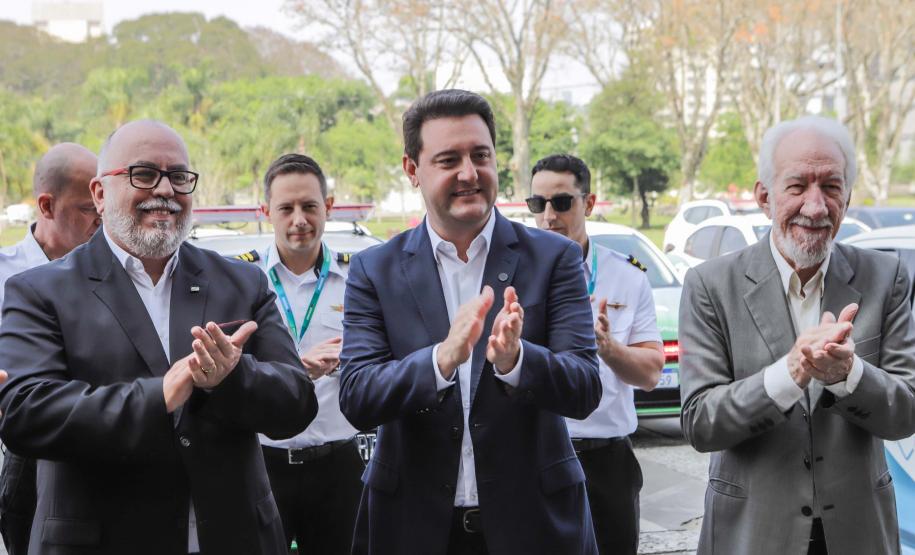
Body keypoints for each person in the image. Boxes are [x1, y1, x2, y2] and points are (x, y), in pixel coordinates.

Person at [0, 120, 317, 555]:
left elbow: (296, 403)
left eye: (179, 177)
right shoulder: (39, 291)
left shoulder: (241, 283)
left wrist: (231, 376)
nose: (165, 190)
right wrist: (158, 397)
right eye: (144, 174)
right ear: (99, 193)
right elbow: (26, 414)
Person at [339, 89, 602, 555]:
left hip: (535, 527)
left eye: (481, 155)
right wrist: (440, 359)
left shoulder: (553, 257)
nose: (469, 173)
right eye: (448, 159)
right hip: (413, 528)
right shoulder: (373, 270)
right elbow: (357, 396)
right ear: (412, 170)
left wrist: (516, 361)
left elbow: (584, 387)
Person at [678, 115, 915, 555]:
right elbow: (700, 423)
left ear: (848, 195)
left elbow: (906, 412)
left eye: (831, 186)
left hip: (858, 533)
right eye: (797, 186)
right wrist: (790, 372)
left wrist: (849, 375)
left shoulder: (887, 276)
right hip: (753, 534)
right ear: (764, 197)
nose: (816, 206)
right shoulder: (710, 285)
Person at [529, 154, 663, 555]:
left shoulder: (628, 276)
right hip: (540, 454)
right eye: (538, 204)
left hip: (607, 460)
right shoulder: (517, 274)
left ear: (588, 204)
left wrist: (607, 348)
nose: (549, 215)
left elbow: (651, 374)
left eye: (562, 202)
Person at [240, 153, 363, 554]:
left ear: (328, 207)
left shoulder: (359, 278)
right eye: (286, 208)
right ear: (265, 212)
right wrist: (295, 370)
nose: (299, 220)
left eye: (310, 206)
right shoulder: (242, 279)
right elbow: (229, 368)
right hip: (262, 463)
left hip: (338, 464)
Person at [0, 143, 100, 555]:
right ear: (46, 205)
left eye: (103, 205)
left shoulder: (112, 275)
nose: (100, 220)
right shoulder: (5, 275)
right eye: (86, 209)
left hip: (92, 451)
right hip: (18, 456)